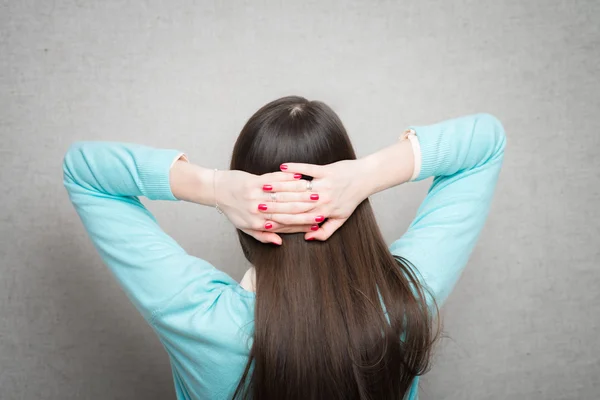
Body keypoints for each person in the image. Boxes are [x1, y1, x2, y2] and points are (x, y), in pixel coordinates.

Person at [63, 96, 506, 399]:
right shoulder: (405, 300)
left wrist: (214, 186)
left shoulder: (198, 315)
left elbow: (85, 172)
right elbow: (484, 142)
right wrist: (368, 174)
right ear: (352, 203)